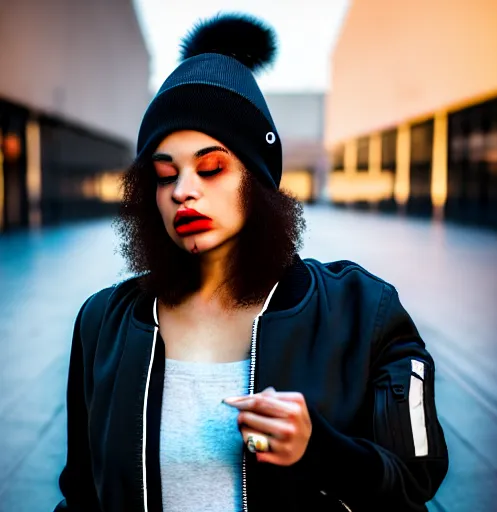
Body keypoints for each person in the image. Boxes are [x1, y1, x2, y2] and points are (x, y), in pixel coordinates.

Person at [54, 12, 448, 512]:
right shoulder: (104, 324)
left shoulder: (360, 312)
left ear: (258, 179)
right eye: (163, 174)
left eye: (212, 167)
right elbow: (82, 496)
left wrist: (321, 449)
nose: (183, 191)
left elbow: (416, 479)